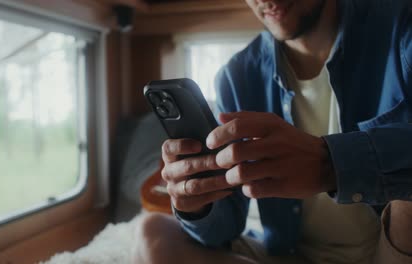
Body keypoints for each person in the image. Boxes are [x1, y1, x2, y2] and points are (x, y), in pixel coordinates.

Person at [132, 0, 412, 263]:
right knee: (154, 233)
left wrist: (331, 165)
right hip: (289, 254)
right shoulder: (237, 76)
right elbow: (223, 232)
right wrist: (195, 205)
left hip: (390, 251)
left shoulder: (400, 24)